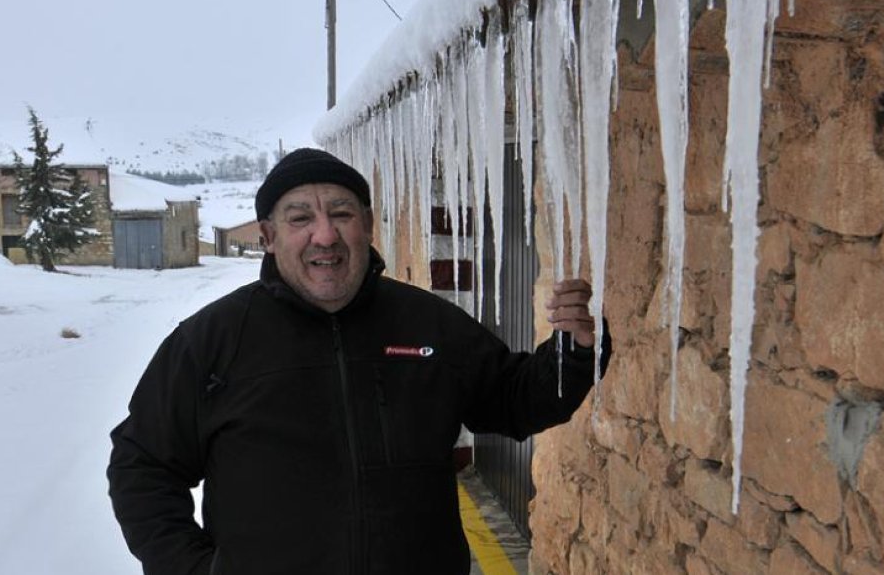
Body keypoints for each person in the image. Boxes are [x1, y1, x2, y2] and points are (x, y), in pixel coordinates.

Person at [107, 148, 611, 575]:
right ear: (268, 236)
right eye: (300, 217)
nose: (324, 235)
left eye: (342, 213)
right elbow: (142, 464)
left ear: (367, 226)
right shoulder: (212, 340)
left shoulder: (429, 324)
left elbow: (513, 400)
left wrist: (574, 351)